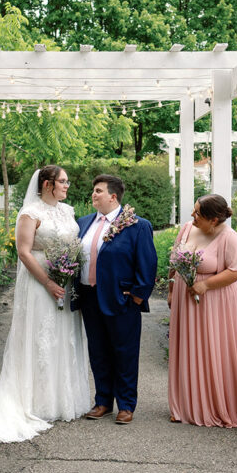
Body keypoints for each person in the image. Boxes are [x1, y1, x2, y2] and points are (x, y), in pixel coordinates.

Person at [0, 166, 91, 442]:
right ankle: (36, 400)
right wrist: (48, 281)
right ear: (47, 184)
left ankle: (63, 399)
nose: (67, 185)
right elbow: (23, 252)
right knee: (40, 337)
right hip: (38, 283)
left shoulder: (68, 210)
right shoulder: (30, 213)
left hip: (66, 281)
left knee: (64, 337)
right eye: (63, 181)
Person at [74, 174, 157, 425]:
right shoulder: (83, 223)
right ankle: (102, 402)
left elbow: (147, 264)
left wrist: (138, 297)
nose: (93, 194)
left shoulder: (136, 225)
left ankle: (126, 404)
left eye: (98, 190)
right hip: (89, 297)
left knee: (125, 353)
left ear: (113, 196)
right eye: (93, 190)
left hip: (122, 300)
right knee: (97, 351)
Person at [167, 195, 237, 428]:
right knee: (186, 348)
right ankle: (183, 404)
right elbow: (174, 261)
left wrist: (205, 284)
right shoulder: (187, 229)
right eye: (194, 211)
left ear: (214, 220)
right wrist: (171, 288)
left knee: (213, 347)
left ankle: (215, 403)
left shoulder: (229, 237)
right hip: (185, 299)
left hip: (217, 301)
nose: (192, 217)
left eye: (198, 214)